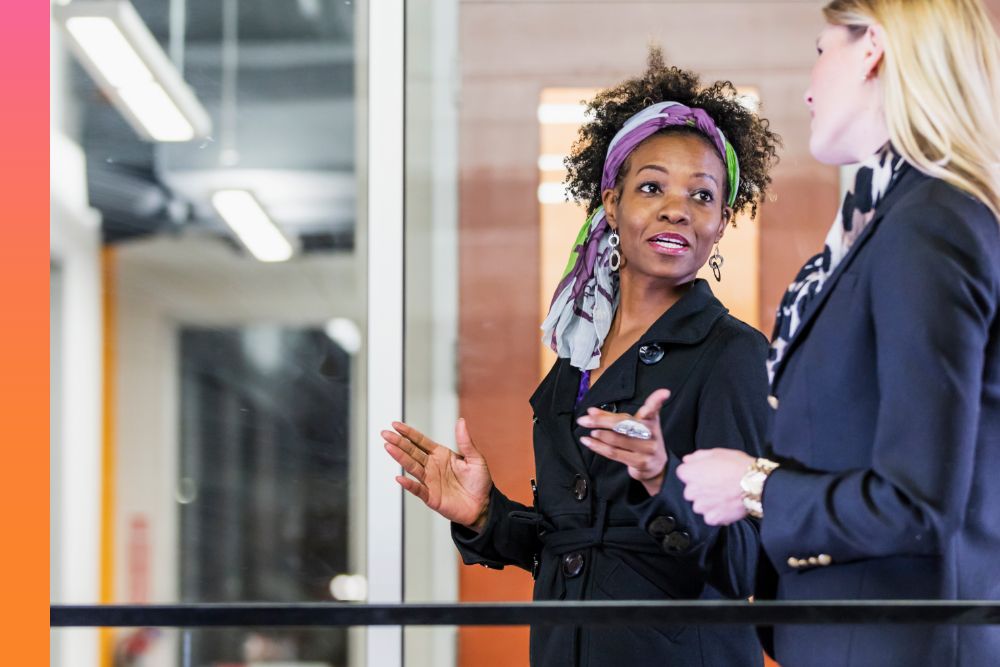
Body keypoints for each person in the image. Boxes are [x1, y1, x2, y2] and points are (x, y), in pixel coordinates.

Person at [382, 50, 780, 666]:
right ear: (611, 202)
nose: (677, 207)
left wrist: (661, 481)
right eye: (651, 187)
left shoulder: (733, 356)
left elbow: (748, 563)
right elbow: (573, 546)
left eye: (702, 196)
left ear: (722, 223)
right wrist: (487, 514)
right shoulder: (577, 353)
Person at [675, 1, 1000, 665]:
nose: (809, 84)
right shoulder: (895, 219)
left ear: (873, 47)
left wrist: (752, 484)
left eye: (823, 50)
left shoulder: (928, 224)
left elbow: (916, 501)